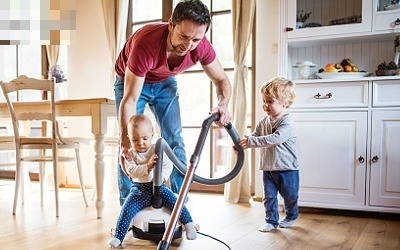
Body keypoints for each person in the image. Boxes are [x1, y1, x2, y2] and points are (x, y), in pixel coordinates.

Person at [114, 0, 232, 205]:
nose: (188, 45)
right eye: (183, 36)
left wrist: (223, 105)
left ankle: (179, 205)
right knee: (129, 143)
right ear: (171, 25)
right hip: (131, 82)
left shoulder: (201, 46)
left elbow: (222, 80)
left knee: (175, 139)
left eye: (196, 39)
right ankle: (128, 205)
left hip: (164, 82)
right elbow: (130, 99)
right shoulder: (146, 43)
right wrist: (124, 140)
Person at [107, 114, 199, 248]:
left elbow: (168, 165)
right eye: (135, 139)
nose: (140, 143)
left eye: (144, 138)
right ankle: (118, 237)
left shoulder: (158, 148)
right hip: (139, 191)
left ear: (152, 134)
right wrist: (147, 167)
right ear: (129, 139)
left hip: (159, 188)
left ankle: (189, 225)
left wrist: (162, 178)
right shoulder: (130, 154)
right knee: (127, 209)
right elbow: (131, 170)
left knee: (176, 202)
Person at [237, 77, 299, 232]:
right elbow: (254, 136)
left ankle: (291, 215)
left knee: (290, 196)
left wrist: (252, 141)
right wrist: (244, 143)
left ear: (285, 102)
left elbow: (275, 139)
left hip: (287, 168)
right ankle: (271, 221)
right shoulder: (263, 122)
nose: (265, 105)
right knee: (269, 197)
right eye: (263, 101)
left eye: (270, 101)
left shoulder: (287, 122)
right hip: (268, 168)